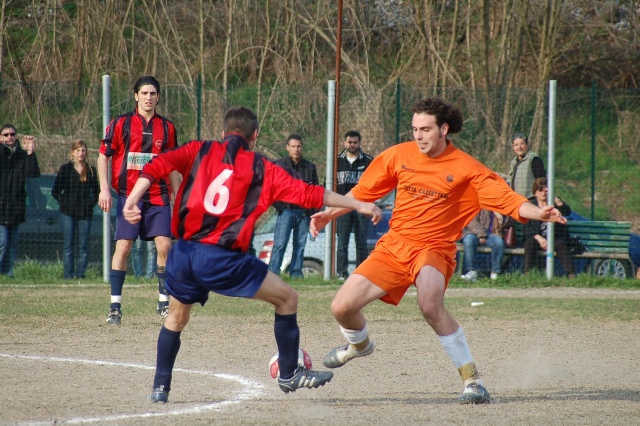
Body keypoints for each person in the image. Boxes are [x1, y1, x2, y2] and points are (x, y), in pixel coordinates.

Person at [309, 98, 568, 404]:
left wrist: (539, 212)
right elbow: (363, 192)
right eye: (415, 129)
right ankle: (359, 345)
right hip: (395, 246)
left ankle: (473, 381)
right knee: (341, 308)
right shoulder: (399, 155)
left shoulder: (466, 168)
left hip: (434, 248)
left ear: (444, 129)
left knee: (430, 304)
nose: (419, 136)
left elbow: (508, 199)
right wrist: (329, 214)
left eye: (426, 129)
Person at [121, 106, 382, 401]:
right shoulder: (261, 168)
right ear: (254, 136)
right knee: (287, 299)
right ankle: (289, 373)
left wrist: (132, 200)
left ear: (223, 133)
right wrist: (357, 204)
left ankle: (160, 387)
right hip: (220, 258)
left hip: (182, 254)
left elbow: (157, 164)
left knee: (176, 318)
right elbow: (310, 193)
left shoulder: (199, 149)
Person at [98, 75, 181, 324]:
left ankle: (164, 302)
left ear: (158, 97)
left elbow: (173, 165)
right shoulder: (120, 123)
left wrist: (178, 196)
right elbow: (103, 155)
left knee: (165, 246)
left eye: (153, 93)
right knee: (123, 246)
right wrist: (104, 189)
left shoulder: (167, 128)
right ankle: (115, 307)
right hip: (129, 196)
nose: (148, 97)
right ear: (136, 96)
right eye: (144, 93)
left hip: (158, 195)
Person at [268, 134, 318, 277]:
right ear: (287, 147)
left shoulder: (310, 167)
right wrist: (280, 207)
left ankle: (296, 274)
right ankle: (272, 274)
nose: (296, 149)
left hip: (304, 212)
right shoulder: (278, 165)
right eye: (293, 146)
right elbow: (270, 188)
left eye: (299, 146)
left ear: (302, 147)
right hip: (286, 211)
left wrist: (311, 212)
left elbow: (315, 190)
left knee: (300, 245)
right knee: (280, 244)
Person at [52, 140, 100, 279]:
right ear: (72, 152)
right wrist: (65, 203)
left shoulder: (91, 170)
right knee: (69, 245)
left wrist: (89, 204)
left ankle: (80, 274)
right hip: (67, 213)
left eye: (83, 150)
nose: (81, 153)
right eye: (78, 150)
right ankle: (68, 275)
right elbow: (55, 191)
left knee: (83, 246)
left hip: (85, 214)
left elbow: (96, 192)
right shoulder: (65, 169)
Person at [0, 125, 41, 277]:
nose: (9, 137)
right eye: (5, 135)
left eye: (12, 134)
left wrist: (30, 152)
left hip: (16, 207)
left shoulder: (22, 155)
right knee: (3, 242)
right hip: (1, 206)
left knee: (12, 243)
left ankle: (8, 273)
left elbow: (33, 173)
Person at [336, 130, 373, 279]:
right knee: (342, 242)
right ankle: (341, 273)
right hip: (343, 206)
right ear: (345, 143)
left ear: (359, 143)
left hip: (361, 206)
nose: (352, 145)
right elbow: (329, 184)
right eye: (349, 142)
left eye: (355, 142)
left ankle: (361, 273)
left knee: (361, 241)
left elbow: (374, 183)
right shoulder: (337, 161)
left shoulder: (368, 161)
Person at [523, 178, 574, 277]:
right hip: (536, 237)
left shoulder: (554, 205)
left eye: (546, 191)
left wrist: (556, 200)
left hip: (554, 237)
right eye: (540, 190)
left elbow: (567, 212)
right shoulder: (530, 205)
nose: (543, 193)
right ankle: (528, 273)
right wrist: (539, 238)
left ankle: (571, 273)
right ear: (535, 192)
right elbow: (526, 228)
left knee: (561, 244)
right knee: (530, 243)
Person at [459, 210, 506, 282]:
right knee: (468, 241)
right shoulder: (476, 206)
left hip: (490, 234)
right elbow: (472, 221)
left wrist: (502, 217)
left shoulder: (498, 208)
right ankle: (472, 271)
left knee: (498, 242)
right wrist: (482, 235)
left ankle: (495, 273)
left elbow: (508, 222)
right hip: (472, 232)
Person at [508, 132, 546, 198]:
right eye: (516, 145)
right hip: (516, 199)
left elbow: (541, 181)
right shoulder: (513, 162)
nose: (519, 147)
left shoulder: (534, 159)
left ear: (527, 145)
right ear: (513, 147)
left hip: (531, 199)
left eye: (522, 144)